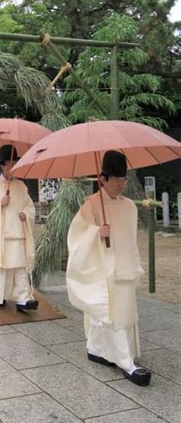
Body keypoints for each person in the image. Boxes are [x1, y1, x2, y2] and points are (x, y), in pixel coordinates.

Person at [66, 150, 151, 387]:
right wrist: (95, 233)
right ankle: (127, 362)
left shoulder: (130, 207)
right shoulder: (91, 205)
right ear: (102, 178)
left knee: (115, 314)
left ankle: (95, 348)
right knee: (113, 314)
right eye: (116, 180)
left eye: (124, 179)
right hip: (103, 269)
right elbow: (75, 238)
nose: (121, 185)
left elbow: (131, 241)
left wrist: (135, 266)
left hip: (125, 267)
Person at [0, 145, 38, 311]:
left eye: (15, 163)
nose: (12, 167)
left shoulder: (21, 186)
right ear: (2, 166)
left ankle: (24, 299)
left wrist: (26, 214)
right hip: (1, 237)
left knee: (19, 268)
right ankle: (0, 297)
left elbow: (29, 206)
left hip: (18, 234)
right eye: (9, 164)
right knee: (3, 269)